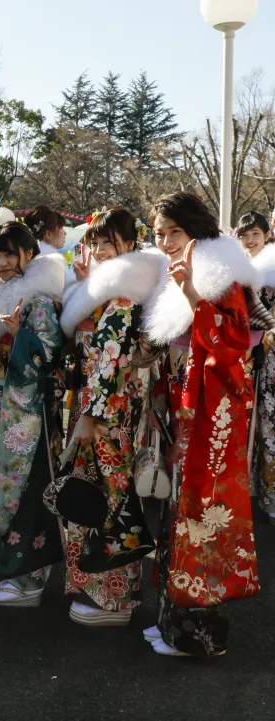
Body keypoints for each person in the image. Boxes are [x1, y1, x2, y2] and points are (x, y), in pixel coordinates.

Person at [142, 192, 260, 657]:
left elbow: (233, 344)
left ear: (195, 229)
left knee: (203, 517)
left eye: (174, 230)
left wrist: (193, 294)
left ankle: (200, 638)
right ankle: (174, 621)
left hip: (214, 419)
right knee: (180, 514)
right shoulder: (182, 274)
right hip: (189, 415)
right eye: (159, 233)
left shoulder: (218, 277)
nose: (167, 240)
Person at [56, 207, 163, 626]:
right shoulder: (111, 288)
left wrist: (89, 415)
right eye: (95, 241)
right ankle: (101, 589)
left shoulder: (124, 293)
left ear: (131, 242)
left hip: (107, 411)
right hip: (102, 406)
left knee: (110, 499)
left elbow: (109, 360)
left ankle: (114, 599)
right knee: (99, 494)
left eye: (109, 242)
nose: (100, 250)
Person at [0, 221, 66, 607]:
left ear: (29, 254)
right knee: (9, 485)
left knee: (23, 486)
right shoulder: (4, 291)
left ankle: (29, 580)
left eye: (10, 254)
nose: (3, 262)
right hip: (9, 405)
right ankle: (16, 571)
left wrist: (21, 333)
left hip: (28, 410)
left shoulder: (36, 298)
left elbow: (49, 352)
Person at [236, 211, 275, 520]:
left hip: (269, 356)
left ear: (266, 236)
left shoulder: (272, 268)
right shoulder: (238, 269)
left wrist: (265, 341)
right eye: (244, 235)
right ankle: (246, 491)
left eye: (256, 235)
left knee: (268, 425)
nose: (250, 241)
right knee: (244, 422)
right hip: (242, 356)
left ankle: (268, 495)